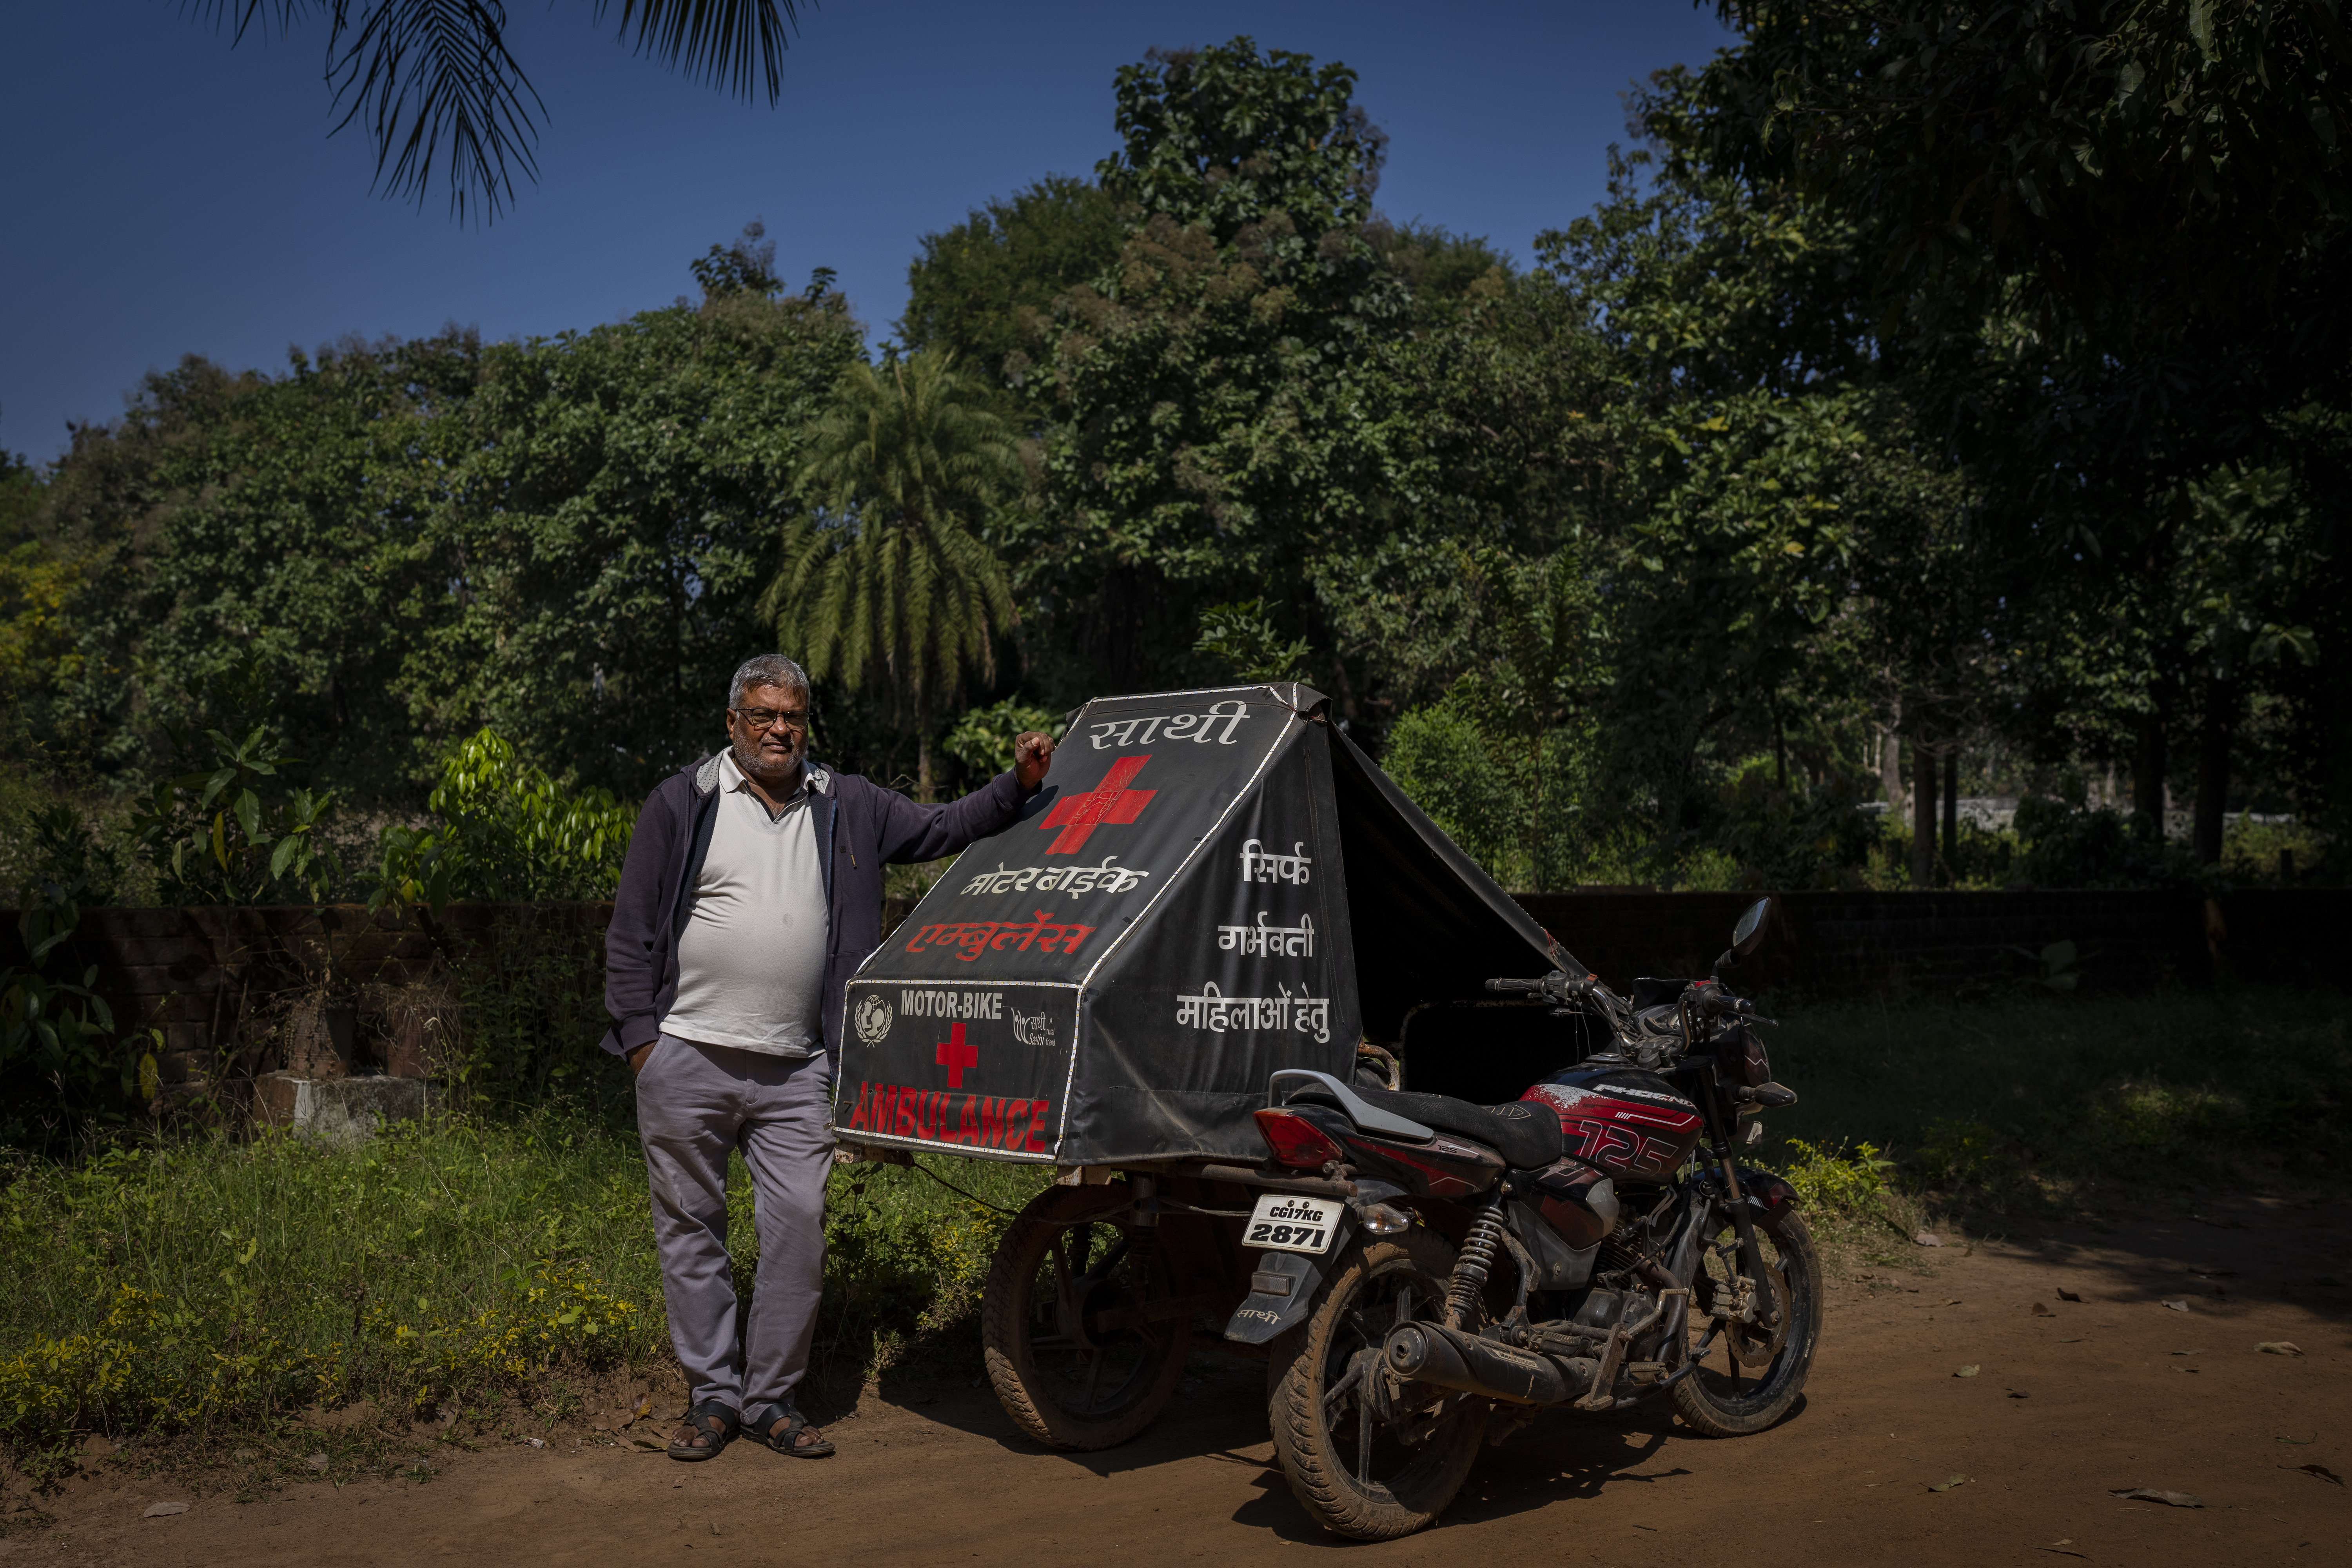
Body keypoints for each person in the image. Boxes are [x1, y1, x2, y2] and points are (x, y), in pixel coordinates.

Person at [601, 653, 1054, 1460]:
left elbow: (943, 825)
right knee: (691, 1232)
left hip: (800, 1065)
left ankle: (771, 1396)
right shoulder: (684, 800)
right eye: (763, 714)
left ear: (807, 723)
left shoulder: (846, 802)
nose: (780, 729)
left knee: (799, 1231)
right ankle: (713, 1396)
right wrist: (643, 1043)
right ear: (734, 723)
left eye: (794, 716)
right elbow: (632, 931)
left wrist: (1016, 785)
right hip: (687, 1057)